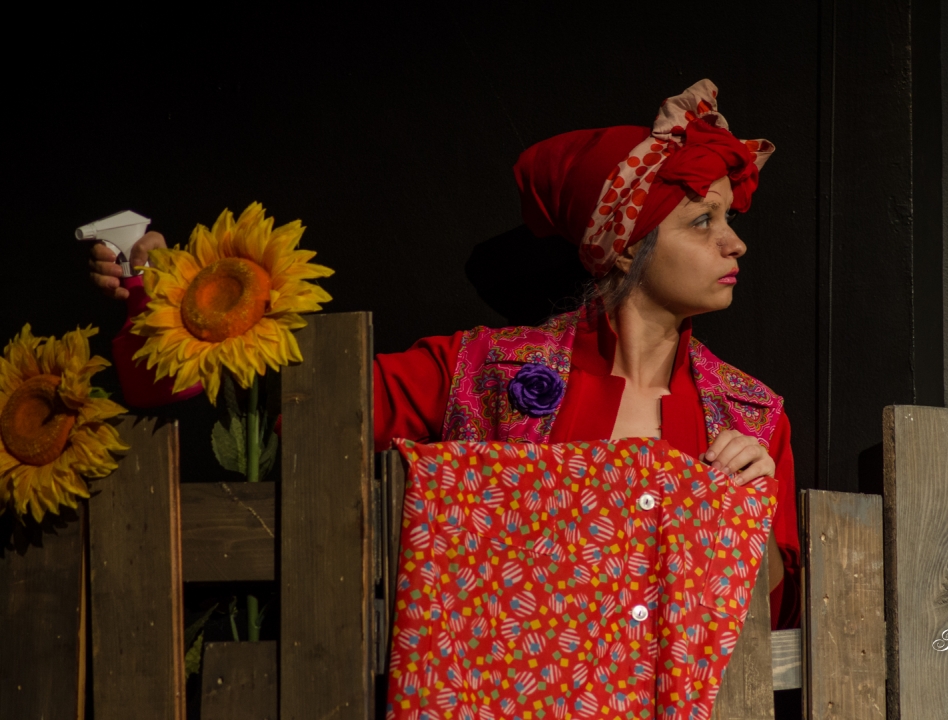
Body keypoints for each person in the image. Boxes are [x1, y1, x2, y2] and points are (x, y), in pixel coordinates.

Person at [88, 79, 801, 630]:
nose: (734, 242)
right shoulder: (479, 371)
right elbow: (296, 406)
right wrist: (167, 296)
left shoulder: (751, 416)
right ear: (622, 245)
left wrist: (750, 517)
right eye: (701, 221)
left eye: (729, 219)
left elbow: (766, 624)